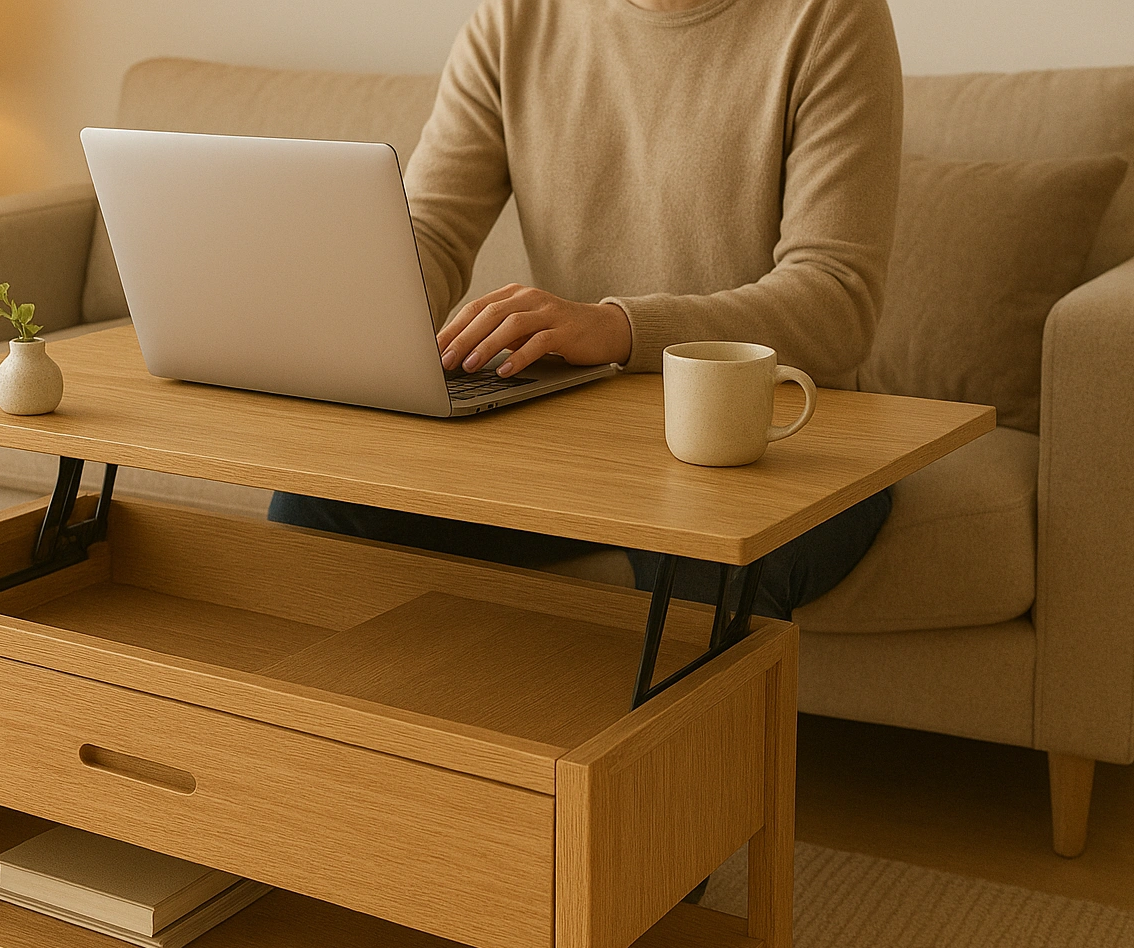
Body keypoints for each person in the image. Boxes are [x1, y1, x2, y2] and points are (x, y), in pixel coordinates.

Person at [272, 0, 904, 621]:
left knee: (705, 559)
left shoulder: (831, 17)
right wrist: (341, 316)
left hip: (775, 442)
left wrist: (616, 327)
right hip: (576, 447)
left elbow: (834, 297)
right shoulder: (513, 21)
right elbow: (431, 231)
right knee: (318, 504)